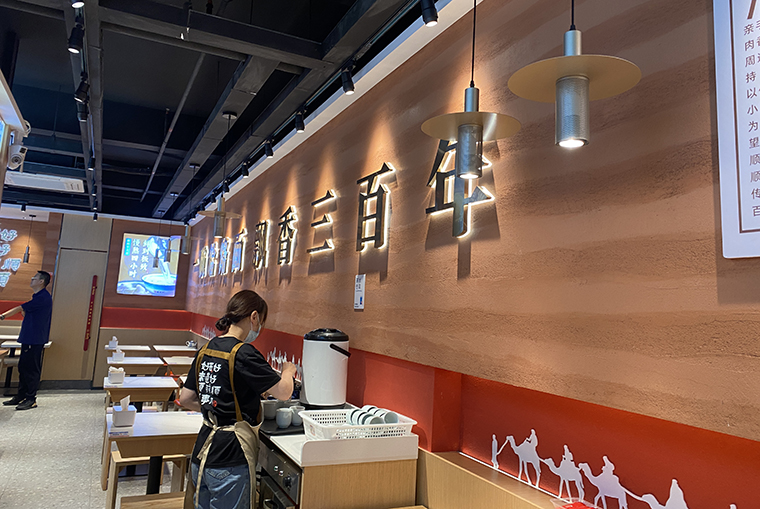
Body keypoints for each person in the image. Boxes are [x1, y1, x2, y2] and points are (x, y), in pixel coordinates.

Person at [179, 290, 296, 509]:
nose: (260, 327)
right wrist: (288, 371)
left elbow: (185, 398)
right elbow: (283, 392)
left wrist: (217, 408)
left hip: (201, 453)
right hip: (230, 458)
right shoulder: (244, 352)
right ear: (254, 317)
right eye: (261, 321)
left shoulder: (206, 349)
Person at [1, 271, 53, 411]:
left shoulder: (42, 297)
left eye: (34, 278)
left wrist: (2, 316)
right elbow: (25, 312)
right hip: (29, 337)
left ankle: (31, 399)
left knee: (31, 370)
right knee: (23, 367)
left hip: (34, 339)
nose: (31, 279)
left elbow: (20, 308)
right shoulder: (37, 297)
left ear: (41, 281)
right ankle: (21, 395)